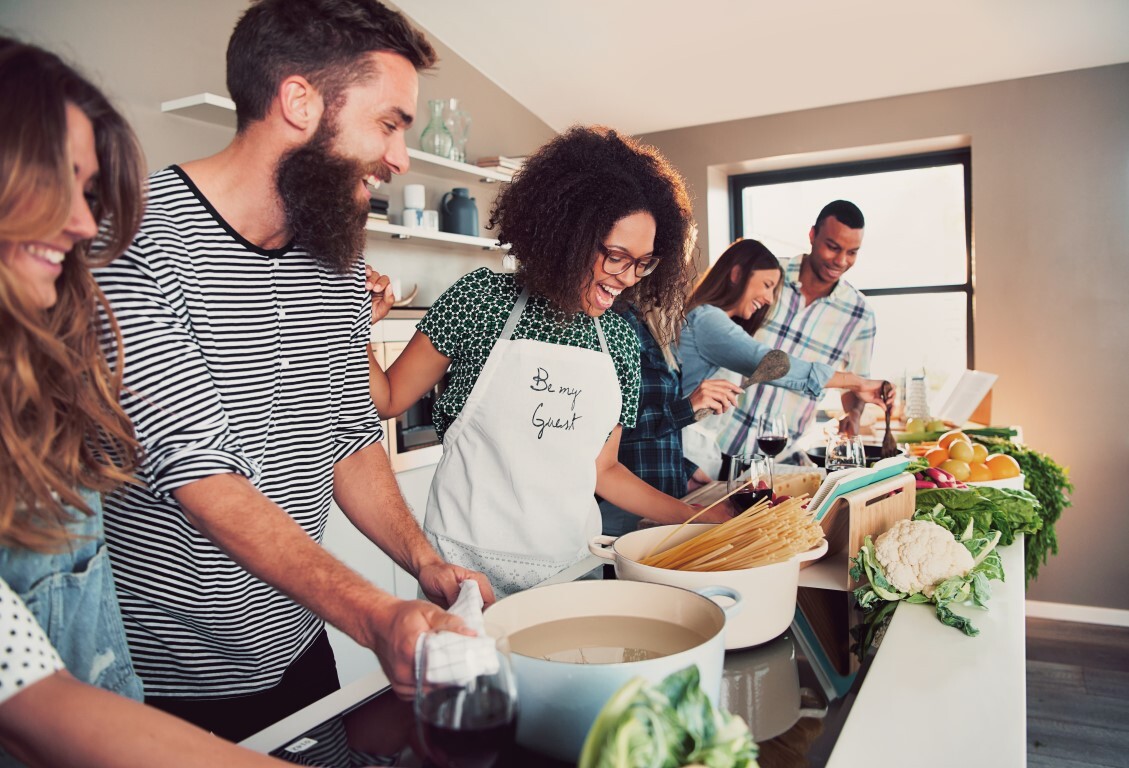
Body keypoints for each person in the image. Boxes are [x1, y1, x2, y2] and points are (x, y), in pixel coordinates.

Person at [92, 0, 491, 742]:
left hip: (300, 643)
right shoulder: (132, 242)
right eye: (389, 124)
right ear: (299, 101)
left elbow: (348, 437)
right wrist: (375, 613)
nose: (399, 156)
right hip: (164, 675)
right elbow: (202, 475)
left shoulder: (334, 261)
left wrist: (425, 562)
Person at [0, 36, 309, 767]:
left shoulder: (33, 402)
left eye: (89, 192)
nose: (82, 224)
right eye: (60, 184)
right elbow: (34, 698)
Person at [367, 125, 732, 598]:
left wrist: (697, 517)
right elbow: (389, 398)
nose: (627, 278)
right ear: (570, 235)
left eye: (642, 263)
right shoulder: (481, 301)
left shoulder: (619, 338)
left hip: (570, 571)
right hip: (462, 573)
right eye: (616, 256)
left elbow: (605, 471)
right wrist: (363, 326)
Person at [679, 237, 890, 479]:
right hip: (690, 453)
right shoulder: (707, 320)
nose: (770, 299)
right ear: (737, 274)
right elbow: (770, 364)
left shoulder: (716, 321)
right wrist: (856, 382)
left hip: (702, 455)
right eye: (767, 285)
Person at [715, 201, 883, 464]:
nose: (841, 261)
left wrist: (854, 415)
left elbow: (855, 383)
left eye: (852, 252)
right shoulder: (767, 277)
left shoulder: (860, 316)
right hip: (717, 443)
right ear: (812, 235)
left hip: (783, 457)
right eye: (833, 247)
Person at [597, 246, 744, 537]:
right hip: (626, 507)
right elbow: (611, 434)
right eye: (678, 266)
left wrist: (684, 469)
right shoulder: (618, 324)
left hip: (662, 499)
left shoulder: (654, 328)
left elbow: (653, 435)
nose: (683, 279)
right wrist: (686, 408)